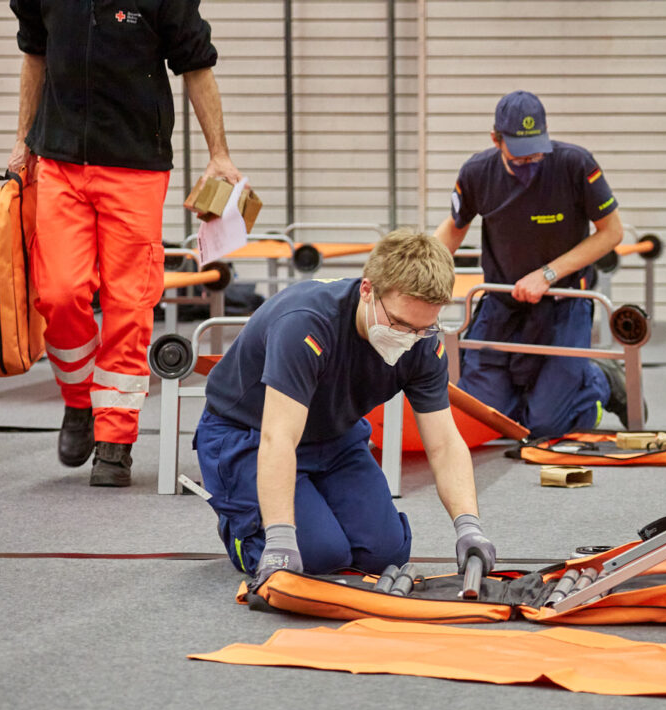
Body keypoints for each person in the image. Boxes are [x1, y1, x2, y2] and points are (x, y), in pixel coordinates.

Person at [9, 0, 240, 486]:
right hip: (57, 161)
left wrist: (219, 154)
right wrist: (20, 142)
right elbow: (35, 54)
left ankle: (116, 439)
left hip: (136, 166)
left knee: (128, 303)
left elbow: (197, 66)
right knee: (58, 292)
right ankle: (79, 402)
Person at [193, 230, 494, 585]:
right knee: (316, 556)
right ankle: (242, 528)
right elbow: (278, 438)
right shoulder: (306, 323)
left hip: (334, 436)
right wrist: (278, 538)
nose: (409, 338)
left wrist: (469, 527)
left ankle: (305, 511)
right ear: (367, 290)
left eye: (423, 327)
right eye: (399, 323)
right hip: (249, 436)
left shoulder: (423, 341)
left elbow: (444, 444)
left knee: (385, 555)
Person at [433, 90, 629, 438]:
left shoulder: (575, 164)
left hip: (565, 301)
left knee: (547, 428)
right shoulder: (478, 173)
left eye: (537, 151)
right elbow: (452, 230)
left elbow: (611, 232)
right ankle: (543, 389)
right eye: (520, 156)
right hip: (502, 304)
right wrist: (413, 275)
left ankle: (599, 381)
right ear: (496, 139)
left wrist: (548, 274)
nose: (531, 162)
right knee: (483, 420)